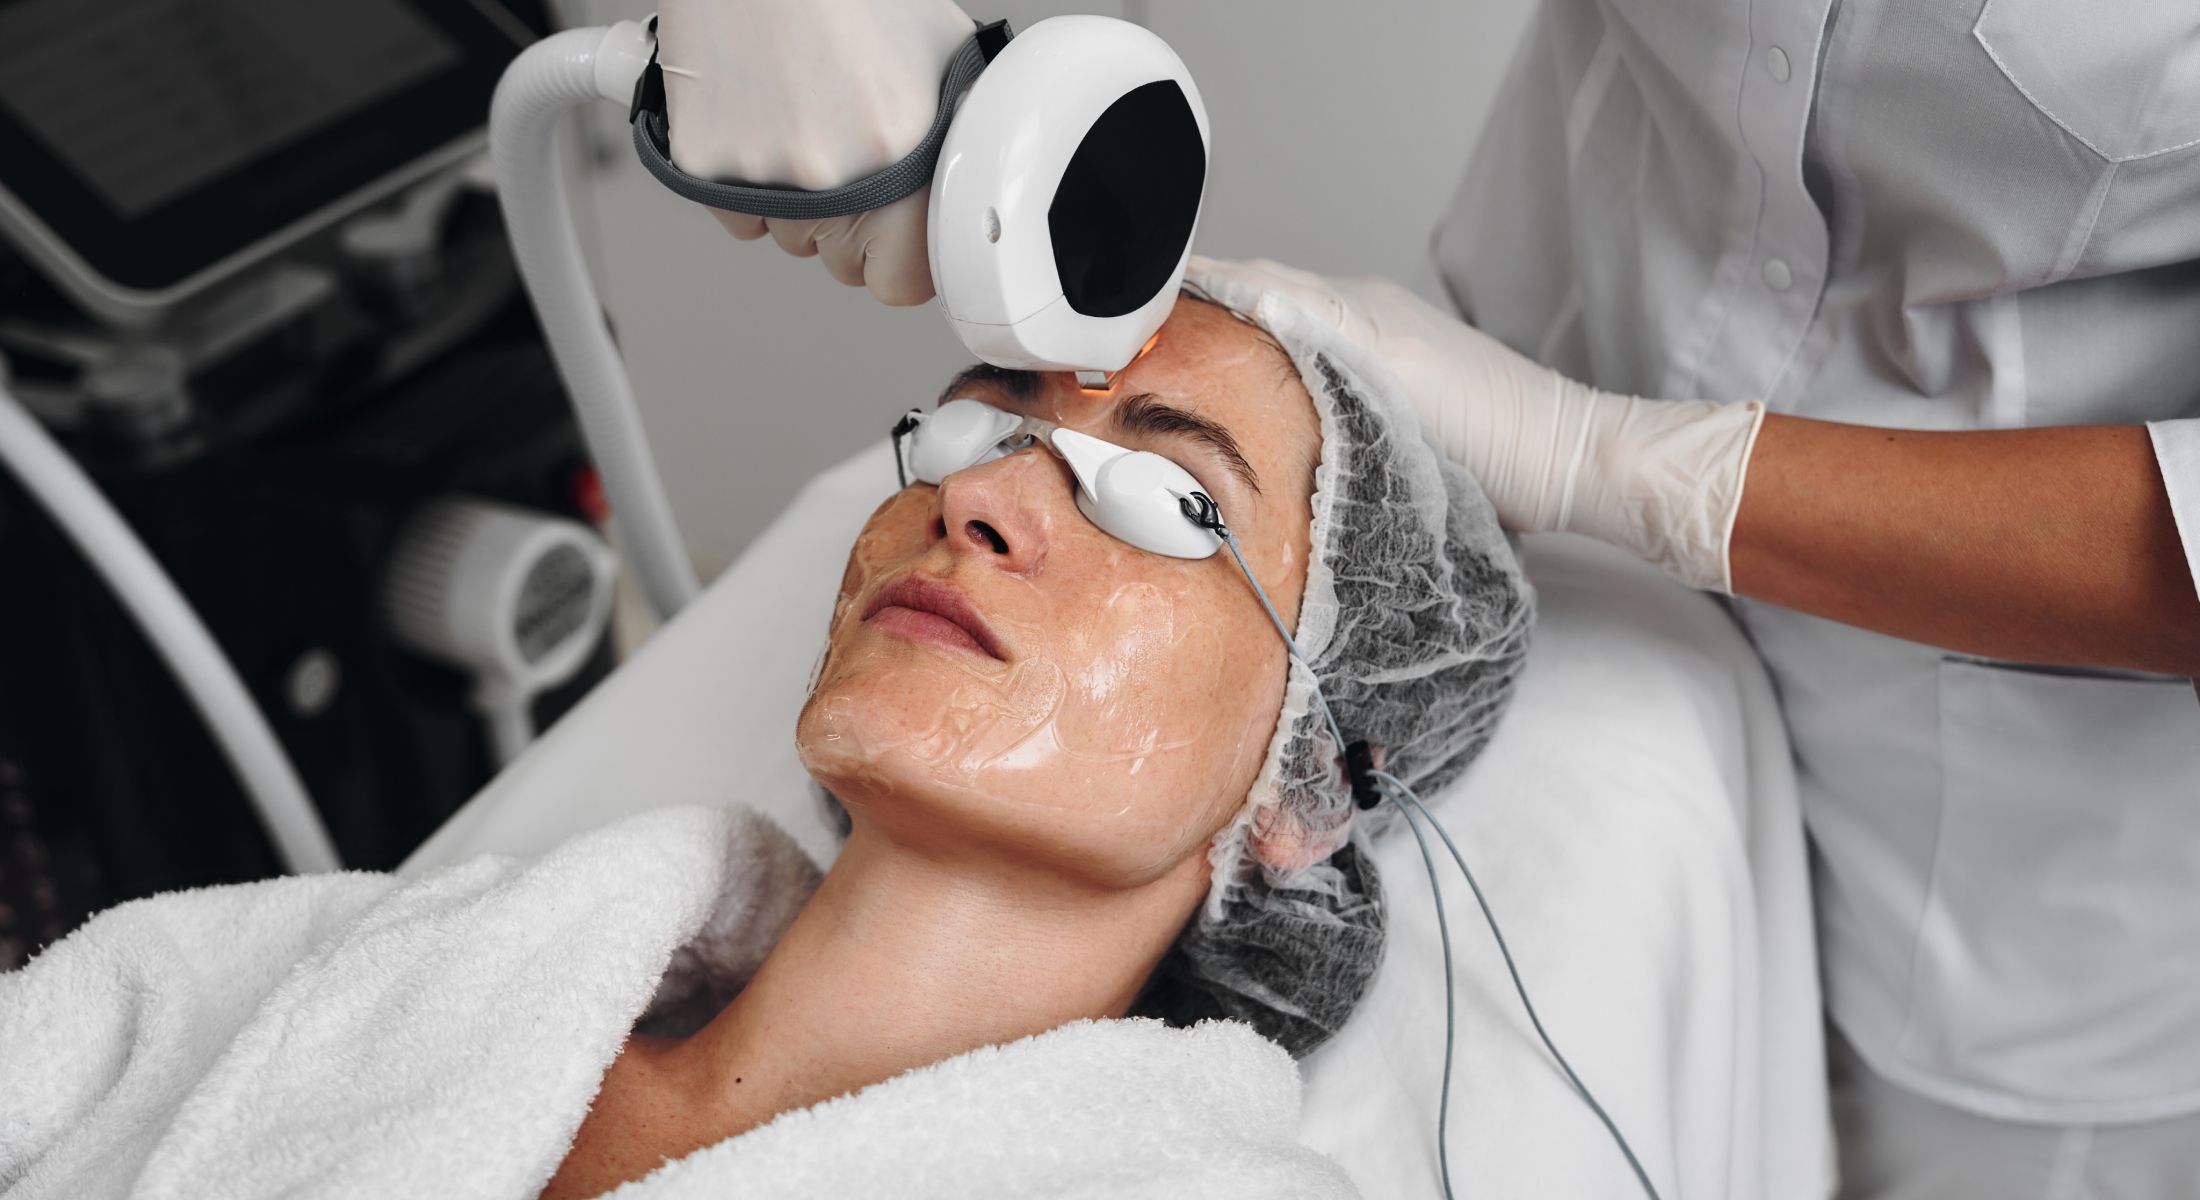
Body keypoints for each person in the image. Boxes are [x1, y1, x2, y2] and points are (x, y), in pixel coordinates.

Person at [655, 2, 2200, 1195]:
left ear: (1310, 785)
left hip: (2036, 840)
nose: (980, 499)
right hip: (1564, 309)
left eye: (1176, 494)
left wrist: (1610, 462)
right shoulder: (521, 976)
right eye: (987, 431)